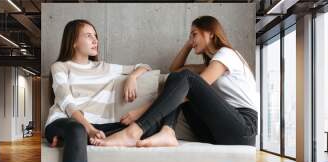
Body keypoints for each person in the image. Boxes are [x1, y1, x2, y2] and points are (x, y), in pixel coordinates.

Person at [94, 15, 258, 147]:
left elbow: (185, 82)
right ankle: (107, 131)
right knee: (175, 81)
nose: (191, 39)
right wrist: (188, 44)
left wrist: (140, 111)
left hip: (243, 128)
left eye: (194, 34)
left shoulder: (226, 54)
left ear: (211, 33)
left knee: (183, 81)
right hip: (217, 132)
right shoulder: (211, 63)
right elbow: (175, 71)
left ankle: (134, 132)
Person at [45, 19, 179, 162]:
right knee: (76, 130)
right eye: (88, 36)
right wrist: (89, 129)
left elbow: (144, 67)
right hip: (66, 121)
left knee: (152, 125)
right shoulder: (60, 67)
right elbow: (66, 102)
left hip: (100, 127)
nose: (95, 40)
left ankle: (77, 139)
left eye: (95, 36)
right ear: (73, 42)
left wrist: (132, 77)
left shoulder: (104, 68)